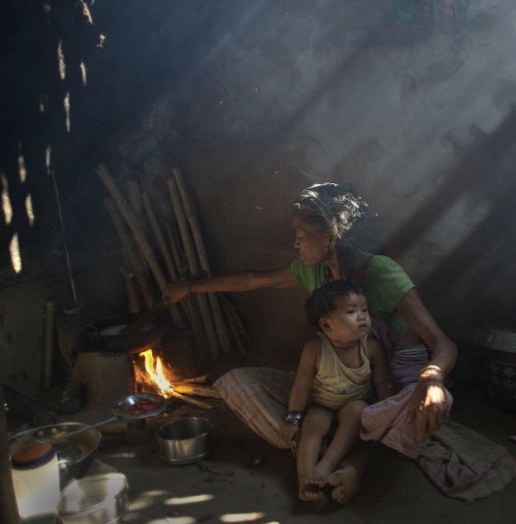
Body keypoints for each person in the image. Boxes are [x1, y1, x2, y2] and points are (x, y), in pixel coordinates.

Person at [162, 182, 457, 503]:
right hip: (341, 384)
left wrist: (432, 380)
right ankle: (349, 446)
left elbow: (442, 344)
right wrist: (189, 287)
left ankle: (344, 450)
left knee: (421, 408)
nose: (296, 242)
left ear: (330, 234)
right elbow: (251, 279)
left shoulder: (382, 273)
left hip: (394, 375)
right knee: (238, 383)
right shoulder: (312, 272)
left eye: (301, 233)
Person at [282, 280, 392, 502]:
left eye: (364, 309)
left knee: (357, 411)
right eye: (351, 311)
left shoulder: (371, 348)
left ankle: (329, 466)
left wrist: (388, 410)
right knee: (312, 424)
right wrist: (293, 418)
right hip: (321, 404)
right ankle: (305, 480)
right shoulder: (314, 349)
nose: (362, 316)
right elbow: (301, 386)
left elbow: (382, 382)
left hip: (355, 406)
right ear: (326, 325)